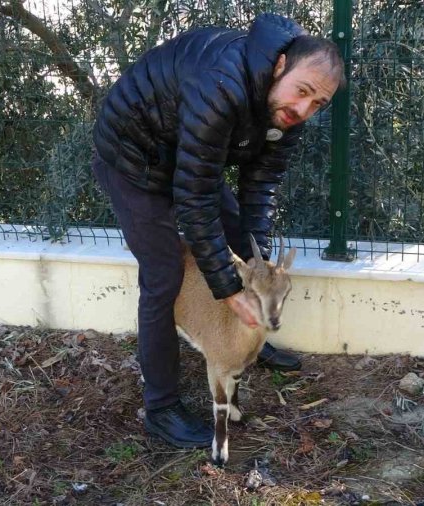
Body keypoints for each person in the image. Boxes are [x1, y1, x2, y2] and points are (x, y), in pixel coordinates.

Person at [91, 12, 345, 448]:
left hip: (186, 155)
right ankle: (162, 408)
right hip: (132, 158)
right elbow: (192, 201)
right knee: (163, 273)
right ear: (280, 67)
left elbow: (258, 189)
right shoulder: (222, 83)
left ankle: (245, 339)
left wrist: (257, 270)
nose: (304, 110)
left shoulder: (285, 113)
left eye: (317, 104)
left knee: (236, 234)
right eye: (302, 92)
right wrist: (229, 290)